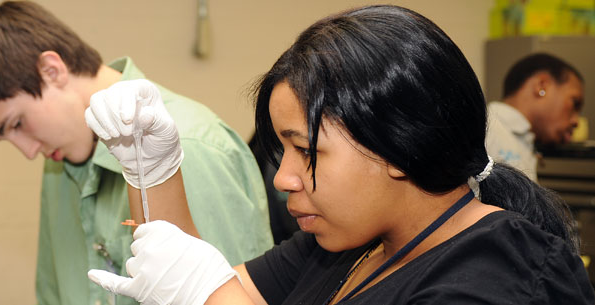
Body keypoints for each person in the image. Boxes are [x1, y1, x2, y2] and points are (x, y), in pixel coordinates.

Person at [86, 5, 595, 304]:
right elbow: (204, 290)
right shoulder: (344, 244)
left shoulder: (496, 278)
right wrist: (151, 173)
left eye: (304, 149)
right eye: (280, 150)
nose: (283, 178)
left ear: (399, 144)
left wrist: (208, 291)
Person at [0, 2, 272, 304]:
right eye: (5, 137)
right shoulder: (60, 160)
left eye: (18, 123)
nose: (27, 151)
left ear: (51, 70)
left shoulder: (193, 147)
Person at [486, 53, 584, 181]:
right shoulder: (486, 129)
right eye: (574, 103)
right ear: (542, 86)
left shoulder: (522, 141)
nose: (576, 121)